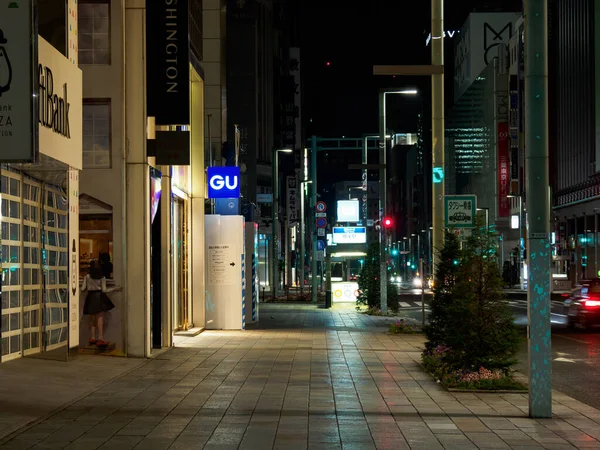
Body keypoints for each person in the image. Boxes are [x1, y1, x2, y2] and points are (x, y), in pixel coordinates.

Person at [82, 259, 120, 347]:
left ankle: (92, 337)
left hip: (90, 297)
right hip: (99, 297)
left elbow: (83, 289)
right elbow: (104, 290)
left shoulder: (87, 277)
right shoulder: (102, 277)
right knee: (100, 318)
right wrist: (115, 288)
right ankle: (100, 338)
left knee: (92, 319)